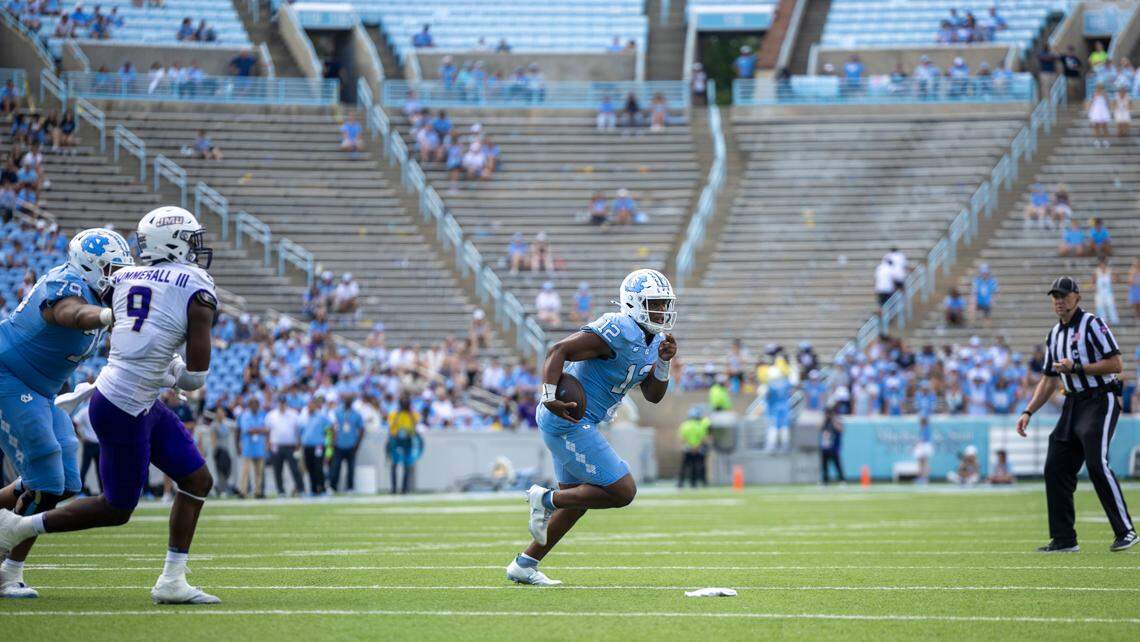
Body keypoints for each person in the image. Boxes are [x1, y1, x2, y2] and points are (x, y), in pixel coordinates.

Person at [0, 207, 222, 603]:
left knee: (196, 480)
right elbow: (195, 378)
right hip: (119, 404)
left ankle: (172, 581)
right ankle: (17, 528)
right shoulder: (192, 284)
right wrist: (176, 373)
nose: (196, 248)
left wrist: (164, 365)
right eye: (190, 239)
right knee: (114, 506)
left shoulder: (125, 278)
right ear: (171, 243)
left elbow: (137, 339)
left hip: (132, 398)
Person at [507, 269, 676, 586]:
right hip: (568, 419)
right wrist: (547, 396)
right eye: (654, 304)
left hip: (582, 422)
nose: (661, 311)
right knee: (622, 491)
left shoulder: (654, 341)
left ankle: (525, 564)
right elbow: (559, 350)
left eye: (664, 304)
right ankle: (545, 500)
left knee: (579, 500)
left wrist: (665, 362)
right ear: (634, 303)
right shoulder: (617, 328)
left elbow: (653, 396)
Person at [0, 228, 131, 598]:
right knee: (45, 483)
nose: (118, 277)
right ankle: (8, 572)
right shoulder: (66, 283)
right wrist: (107, 314)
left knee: (67, 483)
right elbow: (68, 313)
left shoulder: (95, 292)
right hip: (9, 377)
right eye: (112, 269)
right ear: (89, 266)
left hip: (40, 390)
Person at [1016, 276, 1135, 552]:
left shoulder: (1093, 324)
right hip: (1073, 405)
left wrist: (1078, 367)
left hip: (1100, 399)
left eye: (1063, 295)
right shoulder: (1054, 335)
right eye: (1055, 296)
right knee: (1055, 467)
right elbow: (1048, 379)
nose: (1059, 300)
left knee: (1096, 464)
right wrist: (1028, 411)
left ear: (1077, 297)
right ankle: (1064, 539)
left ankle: (1126, 531)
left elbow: (1117, 363)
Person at [758, 344, 795, 452]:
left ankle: (773, 445)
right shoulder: (783, 377)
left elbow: (764, 393)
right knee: (782, 426)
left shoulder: (771, 374)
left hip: (775, 407)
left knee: (774, 426)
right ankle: (783, 445)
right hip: (781, 406)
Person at [266, 396, 303, 497]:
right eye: (280, 402)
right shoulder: (271, 415)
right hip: (276, 446)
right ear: (278, 403)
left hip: (291, 446)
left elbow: (298, 431)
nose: (282, 404)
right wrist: (268, 444)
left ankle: (301, 489)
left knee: (295, 469)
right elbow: (268, 431)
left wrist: (298, 444)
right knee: (277, 469)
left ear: (286, 403)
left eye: (283, 402)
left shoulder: (294, 414)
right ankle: (280, 490)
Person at [386, 393, 421, 494]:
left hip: (408, 439)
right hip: (396, 439)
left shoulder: (413, 414)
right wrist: (398, 413)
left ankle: (404, 489)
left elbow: (415, 424)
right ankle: (394, 488)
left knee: (407, 464)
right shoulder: (394, 414)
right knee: (394, 464)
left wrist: (409, 413)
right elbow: (391, 425)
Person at [328, 396, 363, 493]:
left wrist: (357, 443)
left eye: (349, 400)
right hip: (339, 444)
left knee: (351, 468)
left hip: (351, 444)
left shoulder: (356, 414)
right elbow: (332, 427)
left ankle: (350, 487)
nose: (347, 402)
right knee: (335, 467)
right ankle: (332, 487)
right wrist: (332, 441)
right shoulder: (337, 412)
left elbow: (361, 429)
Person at [298, 397, 331, 496]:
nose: (310, 406)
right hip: (307, 446)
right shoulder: (303, 417)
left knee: (318, 467)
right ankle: (313, 489)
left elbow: (329, 429)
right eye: (309, 404)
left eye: (312, 404)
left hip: (318, 446)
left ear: (316, 405)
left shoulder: (321, 416)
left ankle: (322, 488)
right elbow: (301, 432)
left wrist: (328, 444)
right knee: (310, 468)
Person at [677, 407, 710, 488]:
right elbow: (703, 439)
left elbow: (682, 439)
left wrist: (690, 446)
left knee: (684, 466)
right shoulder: (700, 425)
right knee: (696, 466)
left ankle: (680, 482)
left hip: (687, 449)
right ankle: (693, 483)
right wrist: (696, 447)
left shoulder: (684, 425)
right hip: (697, 449)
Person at [819, 405, 844, 485]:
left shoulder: (836, 420)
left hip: (834, 447)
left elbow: (840, 429)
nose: (827, 415)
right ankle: (825, 481)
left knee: (837, 465)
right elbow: (820, 428)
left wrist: (833, 419)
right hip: (825, 447)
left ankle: (842, 480)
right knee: (824, 466)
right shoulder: (825, 421)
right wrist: (825, 419)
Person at [1095, 258, 1119, 325]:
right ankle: (1103, 321)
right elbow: (1094, 281)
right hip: (1100, 293)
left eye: (1103, 264)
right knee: (1100, 307)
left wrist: (1115, 275)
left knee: (1111, 306)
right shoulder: (1096, 271)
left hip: (1108, 293)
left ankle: (1115, 321)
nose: (1102, 265)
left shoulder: (1110, 271)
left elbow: (1115, 280)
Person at [914, 415, 933, 484]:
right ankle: (921, 477)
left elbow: (924, 439)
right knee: (921, 462)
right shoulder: (923, 428)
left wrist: (918, 444)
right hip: (924, 446)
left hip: (925, 446)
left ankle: (925, 478)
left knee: (925, 462)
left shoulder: (926, 429)